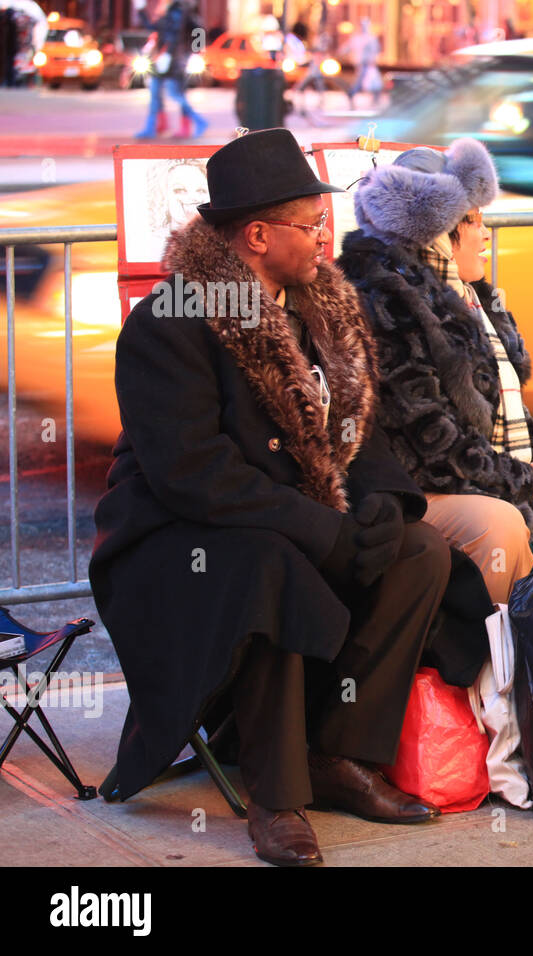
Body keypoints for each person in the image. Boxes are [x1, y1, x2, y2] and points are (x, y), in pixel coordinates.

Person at [91, 129, 453, 866]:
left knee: (418, 552)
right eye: (312, 225)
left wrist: (383, 504)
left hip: (286, 517)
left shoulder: (322, 310)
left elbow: (359, 423)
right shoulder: (170, 321)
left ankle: (338, 752)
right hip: (175, 537)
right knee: (270, 561)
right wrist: (323, 530)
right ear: (257, 234)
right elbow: (194, 472)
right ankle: (277, 797)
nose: (328, 239)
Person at [336, 140, 533, 606]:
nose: (487, 235)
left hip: (482, 475)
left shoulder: (470, 297)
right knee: (502, 523)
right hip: (414, 492)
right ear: (440, 232)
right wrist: (523, 487)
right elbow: (430, 442)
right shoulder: (384, 301)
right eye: (475, 221)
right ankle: (492, 664)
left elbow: (511, 411)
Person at [135, 0, 207, 139]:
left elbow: (178, 33)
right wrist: (141, 10)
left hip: (173, 61)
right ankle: (154, 127)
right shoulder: (169, 9)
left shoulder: (178, 9)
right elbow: (155, 28)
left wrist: (193, 52)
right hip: (164, 59)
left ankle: (198, 122)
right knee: (157, 94)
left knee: (174, 94)